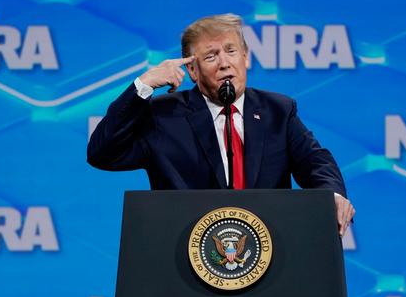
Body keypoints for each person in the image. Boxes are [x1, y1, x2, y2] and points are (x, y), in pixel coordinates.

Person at [87, 13, 355, 235]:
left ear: (246, 57)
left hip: (269, 259)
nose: (225, 63)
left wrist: (331, 196)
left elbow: (315, 161)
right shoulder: (164, 116)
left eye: (231, 51)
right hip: (184, 261)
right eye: (211, 56)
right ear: (192, 71)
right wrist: (142, 86)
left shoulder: (278, 111)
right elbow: (102, 153)